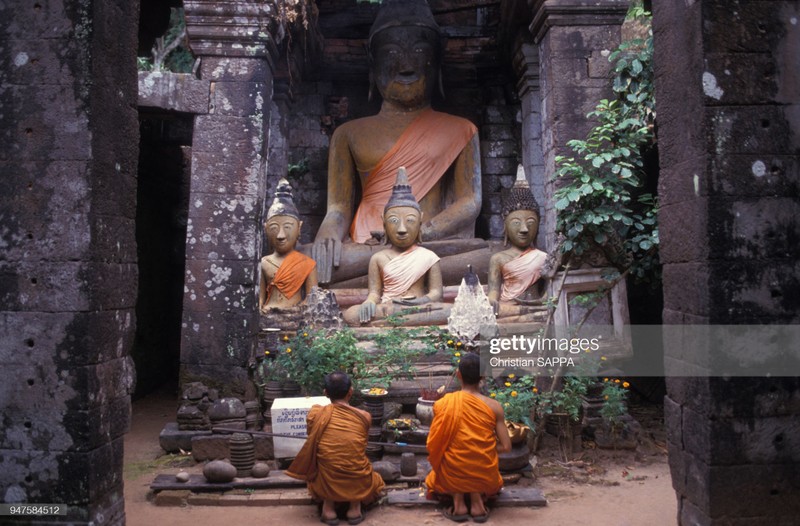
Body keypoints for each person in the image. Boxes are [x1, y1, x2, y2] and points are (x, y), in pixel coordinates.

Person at [311, 0, 481, 284]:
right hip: (368, 243)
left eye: (419, 51)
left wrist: (425, 232)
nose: (406, 65)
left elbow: (471, 201)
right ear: (373, 64)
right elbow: (338, 208)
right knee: (305, 263)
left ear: (437, 62)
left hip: (431, 243)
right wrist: (327, 235)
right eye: (391, 52)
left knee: (490, 257)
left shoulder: (461, 129)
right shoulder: (348, 134)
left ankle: (378, 279)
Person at [342, 167, 444, 326]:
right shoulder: (378, 258)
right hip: (388, 308)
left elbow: (436, 294)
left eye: (410, 220)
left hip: (421, 307)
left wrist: (420, 302)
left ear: (420, 222)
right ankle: (398, 322)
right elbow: (375, 293)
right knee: (351, 314)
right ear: (383, 222)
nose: (402, 229)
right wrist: (369, 302)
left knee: (448, 311)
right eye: (394, 221)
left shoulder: (429, 257)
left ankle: (387, 323)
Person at [285, 371, 385, 525]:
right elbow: (361, 446)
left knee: (323, 467)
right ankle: (354, 509)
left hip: (328, 478)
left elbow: (315, 441)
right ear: (350, 391)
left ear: (325, 393)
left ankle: (328, 509)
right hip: (356, 474)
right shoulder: (364, 416)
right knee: (370, 476)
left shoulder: (316, 414)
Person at [425, 353, 512, 523]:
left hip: (452, 474)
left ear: (458, 374)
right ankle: (477, 503)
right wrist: (482, 449)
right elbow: (507, 447)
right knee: (473, 462)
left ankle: (459, 505)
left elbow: (435, 444)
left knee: (450, 459)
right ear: (483, 376)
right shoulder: (494, 407)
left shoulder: (443, 404)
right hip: (485, 474)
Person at [487, 166, 548, 318]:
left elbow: (550, 290)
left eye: (531, 222)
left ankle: (529, 315)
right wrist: (492, 300)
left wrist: (546, 298)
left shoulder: (544, 258)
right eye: (516, 222)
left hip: (537, 306)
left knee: (548, 313)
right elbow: (493, 290)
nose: (524, 229)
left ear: (538, 225)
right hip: (507, 309)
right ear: (505, 226)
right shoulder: (498, 259)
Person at [258, 179, 318, 310]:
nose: (281, 235)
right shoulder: (263, 263)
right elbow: (260, 297)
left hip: (294, 312)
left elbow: (312, 298)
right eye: (274, 228)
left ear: (299, 228)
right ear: (265, 229)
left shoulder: (307, 263)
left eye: (288, 227)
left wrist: (300, 308)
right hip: (269, 311)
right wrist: (259, 308)